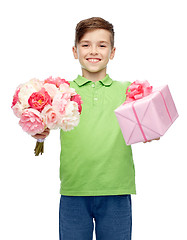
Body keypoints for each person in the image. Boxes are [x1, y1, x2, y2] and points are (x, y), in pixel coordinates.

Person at [33, 17, 159, 240]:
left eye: (102, 45)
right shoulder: (61, 91)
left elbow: (150, 124)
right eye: (86, 44)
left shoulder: (128, 91)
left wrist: (151, 130)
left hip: (116, 190)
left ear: (112, 52)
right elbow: (43, 126)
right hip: (74, 191)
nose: (94, 51)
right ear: (75, 50)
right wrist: (39, 136)